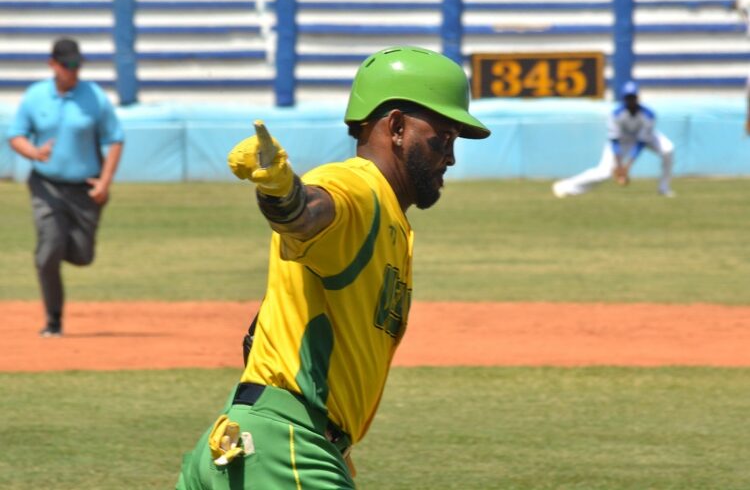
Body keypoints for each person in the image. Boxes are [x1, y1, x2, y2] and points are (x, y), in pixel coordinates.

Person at [175, 46, 490, 489]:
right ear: (397, 127)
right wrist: (282, 193)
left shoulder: (393, 221)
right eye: (442, 138)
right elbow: (309, 213)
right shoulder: (360, 188)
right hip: (286, 451)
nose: (450, 157)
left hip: (249, 442)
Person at [7, 37, 124, 337]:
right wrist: (34, 153)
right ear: (53, 64)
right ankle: (53, 321)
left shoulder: (94, 96)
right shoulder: (35, 96)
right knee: (48, 251)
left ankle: (57, 246)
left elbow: (114, 138)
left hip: (85, 188)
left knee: (83, 256)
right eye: (67, 65)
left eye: (77, 65)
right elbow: (16, 134)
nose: (73, 71)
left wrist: (105, 181)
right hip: (46, 186)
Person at [552, 81, 675, 198]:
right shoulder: (616, 114)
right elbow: (615, 141)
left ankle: (663, 188)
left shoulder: (648, 115)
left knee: (668, 149)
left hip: (645, 138)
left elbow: (641, 142)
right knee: (603, 173)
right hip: (622, 141)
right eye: (628, 97)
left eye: (633, 97)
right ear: (624, 98)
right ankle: (565, 186)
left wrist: (626, 168)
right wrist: (619, 166)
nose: (631, 100)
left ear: (637, 97)